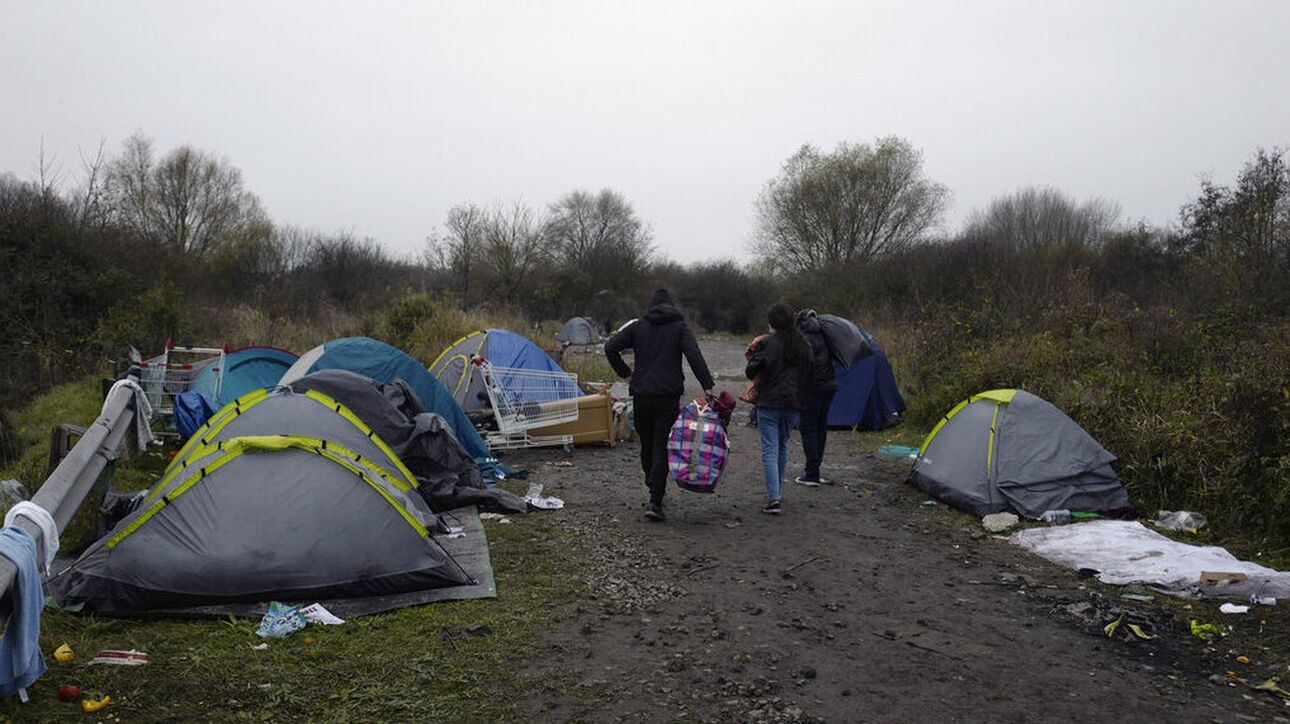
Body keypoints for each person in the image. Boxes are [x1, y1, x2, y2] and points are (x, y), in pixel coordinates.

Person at [605, 289, 715, 522]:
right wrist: (707, 385)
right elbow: (693, 354)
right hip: (668, 396)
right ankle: (655, 499)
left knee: (647, 442)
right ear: (671, 306)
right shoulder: (679, 327)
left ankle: (652, 483)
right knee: (661, 445)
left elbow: (610, 347)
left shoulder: (638, 327)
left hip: (642, 394)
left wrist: (626, 374)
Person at [745, 302, 809, 514]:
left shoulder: (767, 344)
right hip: (793, 403)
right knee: (782, 446)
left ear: (771, 322)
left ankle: (774, 498)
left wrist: (752, 355)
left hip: (769, 402)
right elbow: (809, 373)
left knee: (770, 449)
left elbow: (751, 371)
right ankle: (777, 492)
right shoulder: (803, 345)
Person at [795, 309, 839, 486]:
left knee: (809, 430)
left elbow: (807, 365)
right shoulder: (825, 335)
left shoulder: (804, 338)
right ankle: (816, 469)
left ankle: (812, 473)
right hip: (829, 387)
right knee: (821, 428)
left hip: (812, 389)